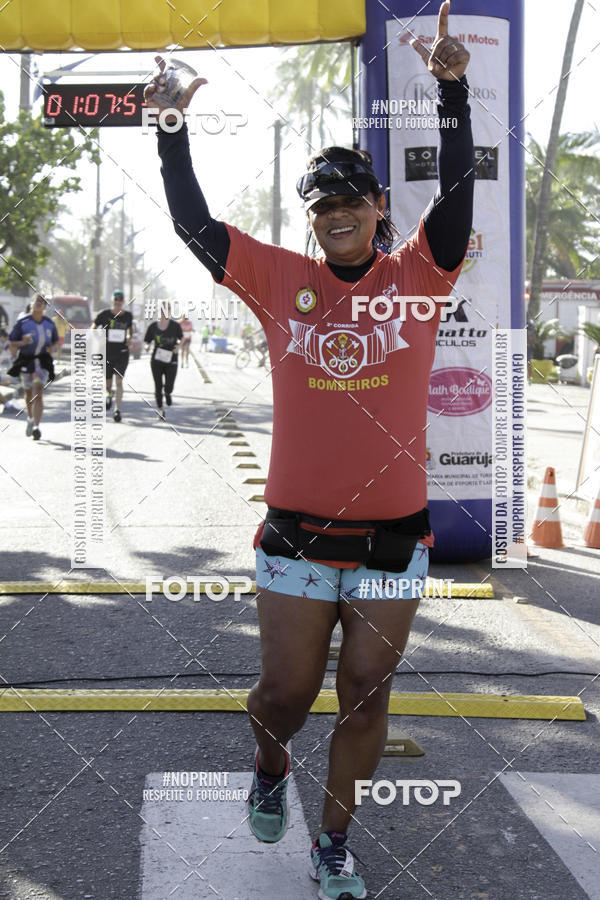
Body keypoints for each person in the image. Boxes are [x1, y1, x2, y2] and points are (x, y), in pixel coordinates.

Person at [147, 4, 473, 897]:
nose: (335, 215)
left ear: (377, 210)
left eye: (349, 202)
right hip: (294, 538)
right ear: (312, 220)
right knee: (286, 698)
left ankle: (333, 844)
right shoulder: (281, 281)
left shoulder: (421, 273)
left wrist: (452, 91)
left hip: (394, 542)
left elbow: (457, 193)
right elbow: (195, 228)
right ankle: (268, 764)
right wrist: (172, 129)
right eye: (320, 205)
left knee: (366, 692)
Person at [8, 293, 58, 440]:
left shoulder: (49, 323)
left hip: (42, 362)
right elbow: (12, 342)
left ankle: (37, 426)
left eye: (43, 302)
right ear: (32, 303)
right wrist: (21, 343)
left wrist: (52, 348)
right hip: (26, 361)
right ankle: (30, 418)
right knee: (28, 394)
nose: (39, 303)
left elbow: (55, 341)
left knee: (39, 392)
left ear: (45, 307)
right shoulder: (22, 322)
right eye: (37, 301)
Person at [92, 289, 133, 422]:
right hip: (106, 352)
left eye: (120, 301)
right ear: (112, 301)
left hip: (122, 352)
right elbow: (93, 328)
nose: (118, 303)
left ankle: (117, 410)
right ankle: (109, 393)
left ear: (123, 302)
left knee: (119, 381)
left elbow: (129, 331)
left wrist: (128, 338)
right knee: (108, 382)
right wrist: (99, 337)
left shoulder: (128, 316)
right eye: (116, 300)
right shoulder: (103, 314)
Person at [144, 303, 183, 418]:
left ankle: (168, 393)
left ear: (170, 311)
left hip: (171, 359)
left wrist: (178, 346)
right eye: (162, 309)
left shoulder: (175, 326)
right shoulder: (153, 326)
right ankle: (160, 409)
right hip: (157, 360)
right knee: (157, 385)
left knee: (169, 385)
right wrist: (147, 346)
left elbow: (181, 339)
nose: (164, 312)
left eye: (167, 309)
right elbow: (147, 340)